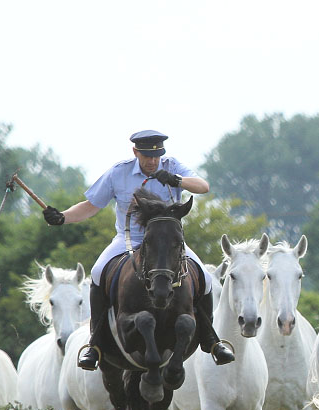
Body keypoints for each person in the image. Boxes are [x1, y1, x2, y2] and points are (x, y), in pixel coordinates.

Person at [40, 130, 235, 370]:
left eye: (156, 156)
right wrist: (62, 217)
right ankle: (95, 344)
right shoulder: (119, 172)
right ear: (135, 152)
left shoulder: (172, 165)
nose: (152, 162)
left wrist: (177, 180)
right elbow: (91, 206)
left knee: (204, 277)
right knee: (99, 272)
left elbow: (203, 187)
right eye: (146, 157)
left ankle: (211, 340)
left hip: (167, 240)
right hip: (129, 238)